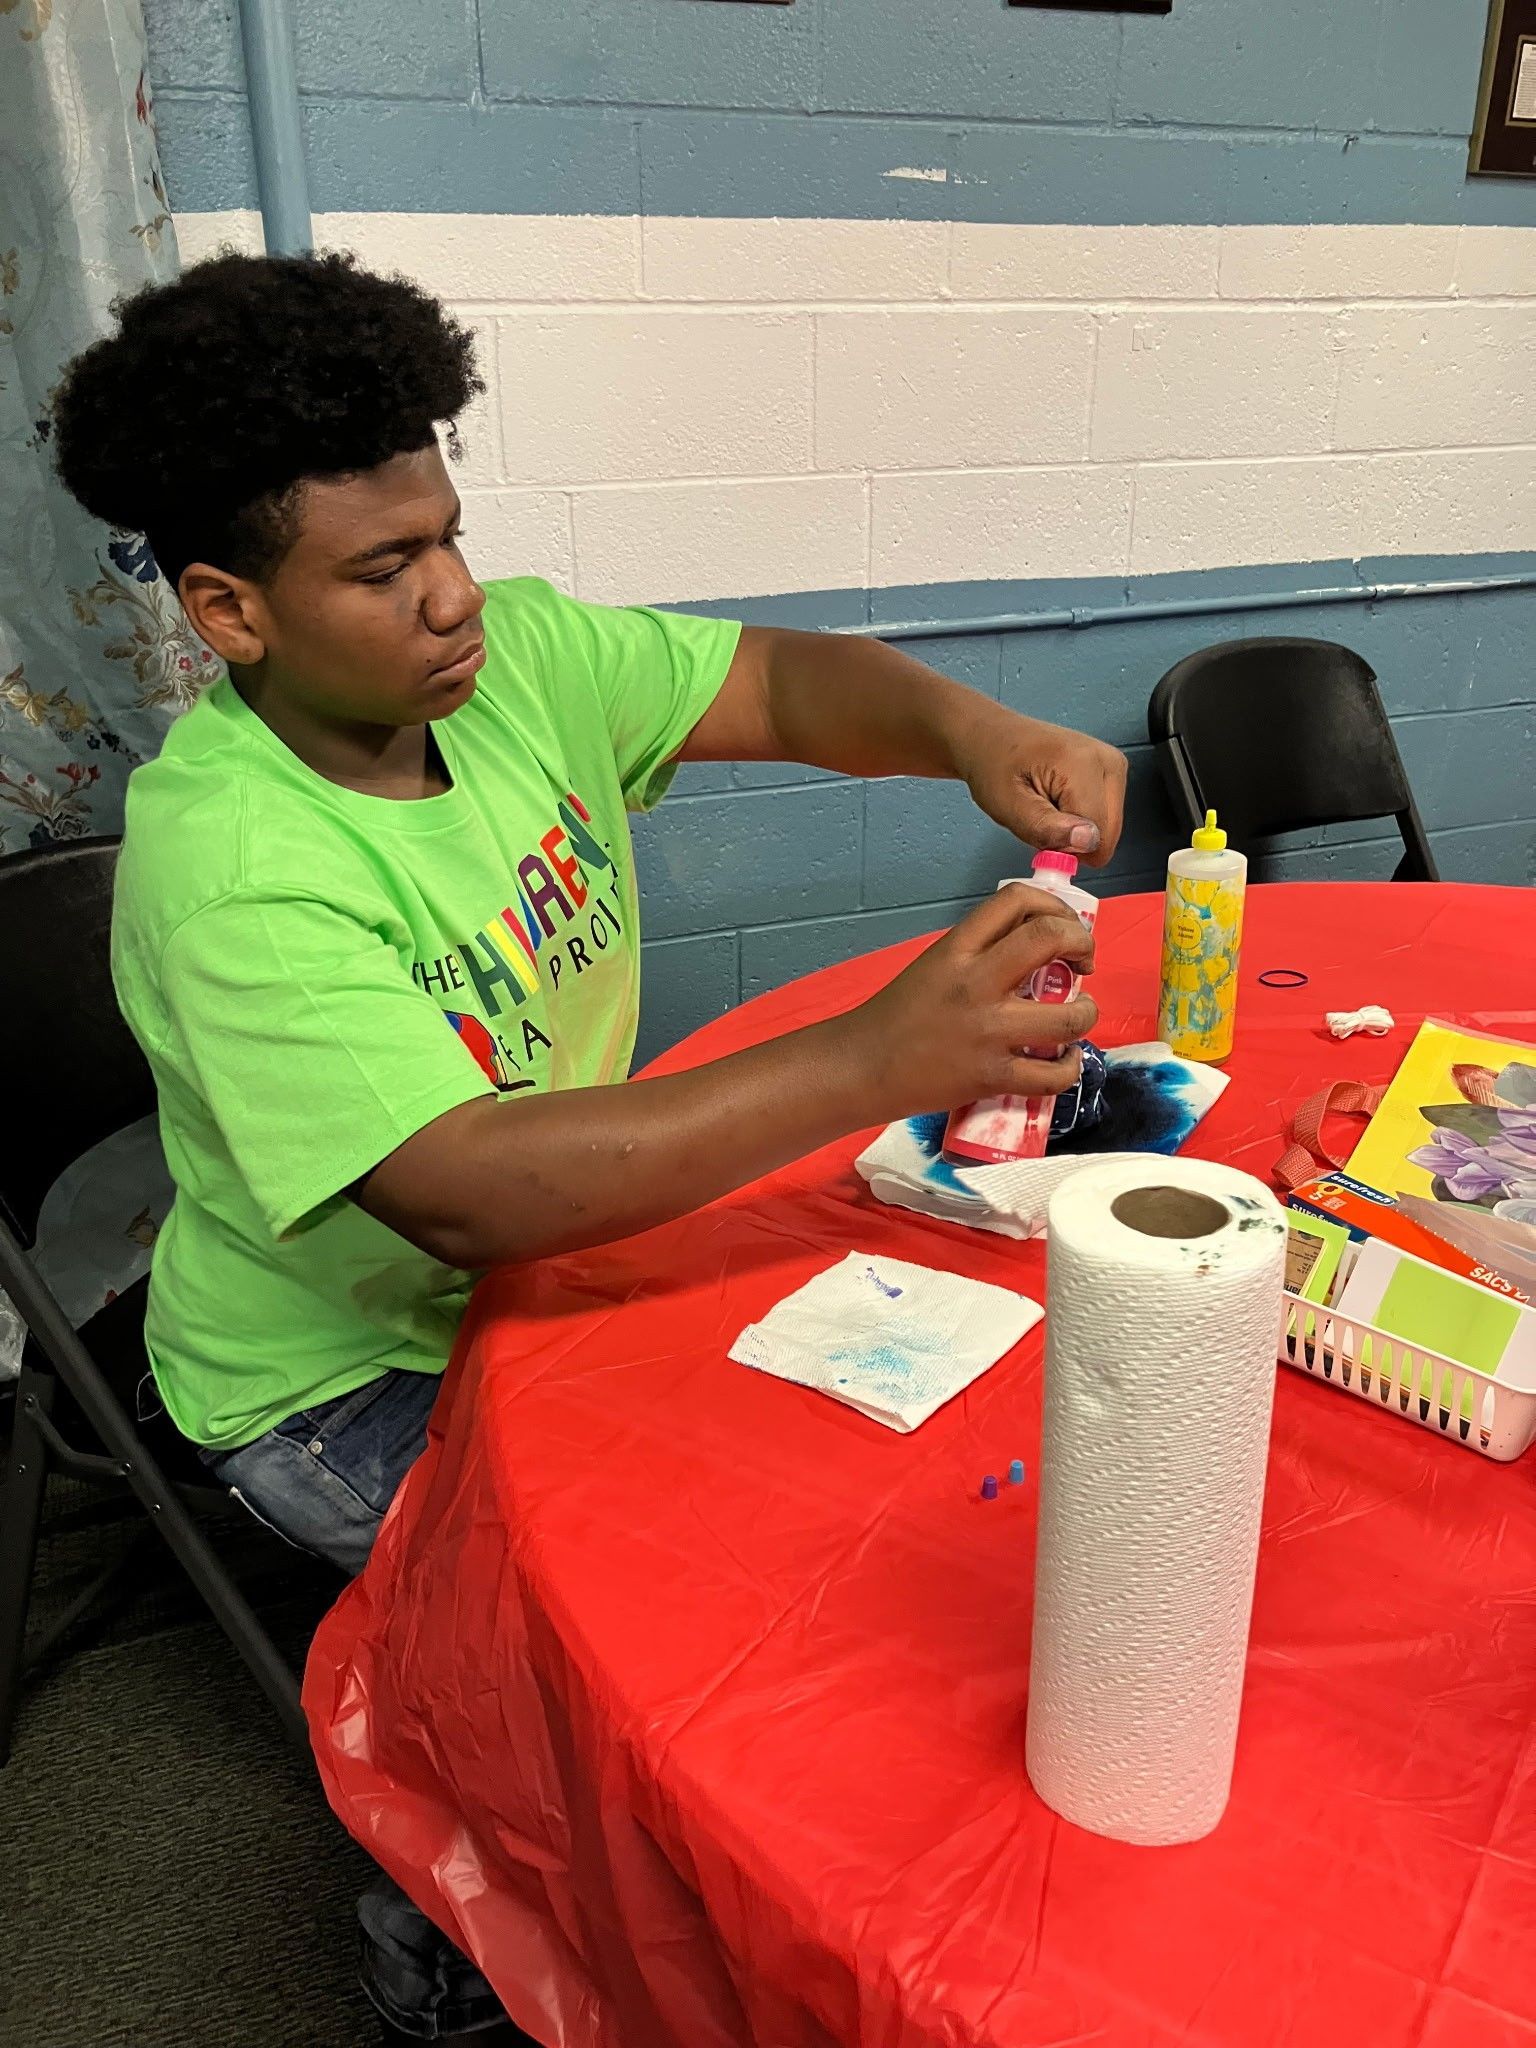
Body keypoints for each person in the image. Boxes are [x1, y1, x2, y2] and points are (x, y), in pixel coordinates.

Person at [52, 252, 1127, 2044]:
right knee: (595, 1653)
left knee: (820, 1511)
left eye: (449, 536)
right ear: (232, 615)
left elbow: (779, 681)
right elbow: (468, 1191)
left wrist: (969, 730)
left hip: (568, 1261)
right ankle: (445, 1968)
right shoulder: (233, 862)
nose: (456, 598)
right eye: (384, 572)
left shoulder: (516, 666)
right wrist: (871, 1056)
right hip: (338, 1375)